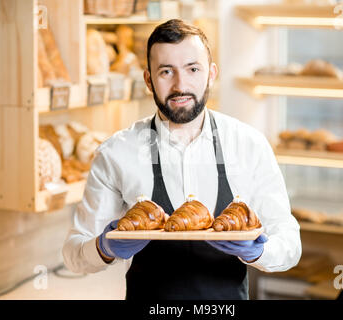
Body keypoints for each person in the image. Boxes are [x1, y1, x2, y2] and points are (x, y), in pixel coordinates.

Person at [62, 19, 301, 300]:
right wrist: (105, 247)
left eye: (193, 69)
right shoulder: (117, 152)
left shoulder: (249, 145)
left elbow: (289, 243)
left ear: (211, 74)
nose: (180, 85)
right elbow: (74, 254)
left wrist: (259, 251)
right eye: (166, 71)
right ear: (149, 80)